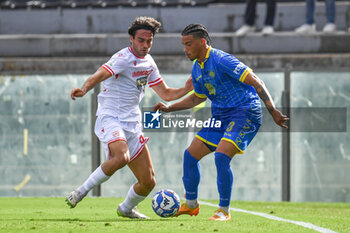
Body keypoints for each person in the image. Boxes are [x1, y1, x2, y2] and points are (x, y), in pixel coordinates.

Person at [154, 24, 288, 221]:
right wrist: (169, 107)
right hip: (221, 117)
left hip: (245, 112)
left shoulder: (221, 60)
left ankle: (224, 211)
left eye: (188, 44)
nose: (185, 49)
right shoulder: (197, 68)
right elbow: (197, 98)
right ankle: (191, 205)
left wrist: (272, 110)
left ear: (202, 42)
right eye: (183, 45)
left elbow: (257, 82)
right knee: (190, 156)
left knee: (221, 156)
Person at [65, 16, 193, 219]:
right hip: (111, 117)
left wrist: (188, 88)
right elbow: (100, 73)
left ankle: (125, 209)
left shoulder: (149, 63)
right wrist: (84, 88)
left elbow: (166, 93)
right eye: (141, 40)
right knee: (121, 157)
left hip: (132, 122)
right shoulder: (122, 58)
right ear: (131, 39)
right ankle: (80, 192)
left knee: (148, 181)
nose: (145, 45)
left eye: (149, 41)